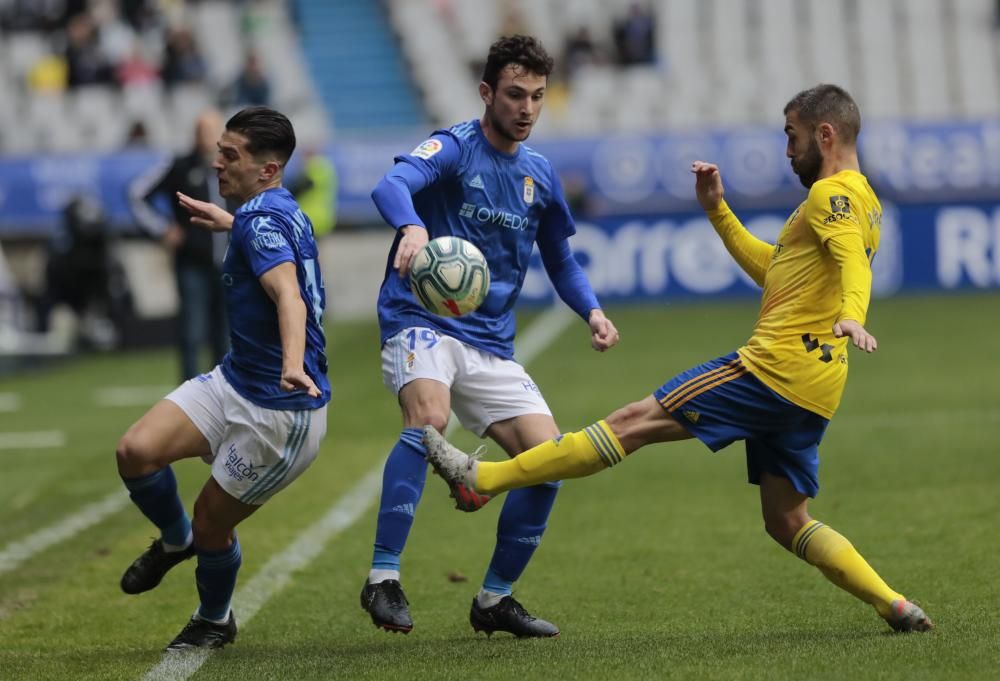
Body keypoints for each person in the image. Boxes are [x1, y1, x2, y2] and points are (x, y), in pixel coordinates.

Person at [424, 84, 934, 634]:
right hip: (817, 386)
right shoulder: (864, 201)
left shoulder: (827, 195)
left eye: (792, 136)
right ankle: (894, 604)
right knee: (787, 520)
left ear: (825, 133)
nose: (788, 151)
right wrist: (718, 211)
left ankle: (485, 479)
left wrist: (856, 313)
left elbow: (853, 266)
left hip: (772, 370)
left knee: (630, 423)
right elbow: (776, 272)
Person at [362, 35, 620, 638]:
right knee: (428, 420)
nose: (526, 107)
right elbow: (390, 186)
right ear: (486, 92)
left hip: (490, 342)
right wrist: (411, 227)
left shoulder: (539, 173)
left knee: (551, 462)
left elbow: (559, 257)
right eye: (514, 94)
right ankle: (382, 578)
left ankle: (494, 600)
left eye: (535, 96)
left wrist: (592, 311)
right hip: (420, 319)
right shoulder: (455, 147)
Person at [115, 106, 330, 651]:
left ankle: (214, 618)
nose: (216, 162)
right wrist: (231, 221)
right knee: (136, 450)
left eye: (229, 155)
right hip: (234, 381)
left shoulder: (260, 220)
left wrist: (291, 362)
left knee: (214, 522)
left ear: (267, 170)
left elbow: (289, 297)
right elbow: (273, 243)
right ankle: (173, 540)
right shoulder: (272, 210)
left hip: (281, 413)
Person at [130, 109, 230, 381]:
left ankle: (223, 393)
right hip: (192, 262)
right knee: (192, 331)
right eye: (201, 131)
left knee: (227, 334)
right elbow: (137, 194)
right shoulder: (181, 166)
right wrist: (163, 229)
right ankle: (188, 397)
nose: (206, 137)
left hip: (231, 263)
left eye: (211, 131)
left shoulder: (234, 167)